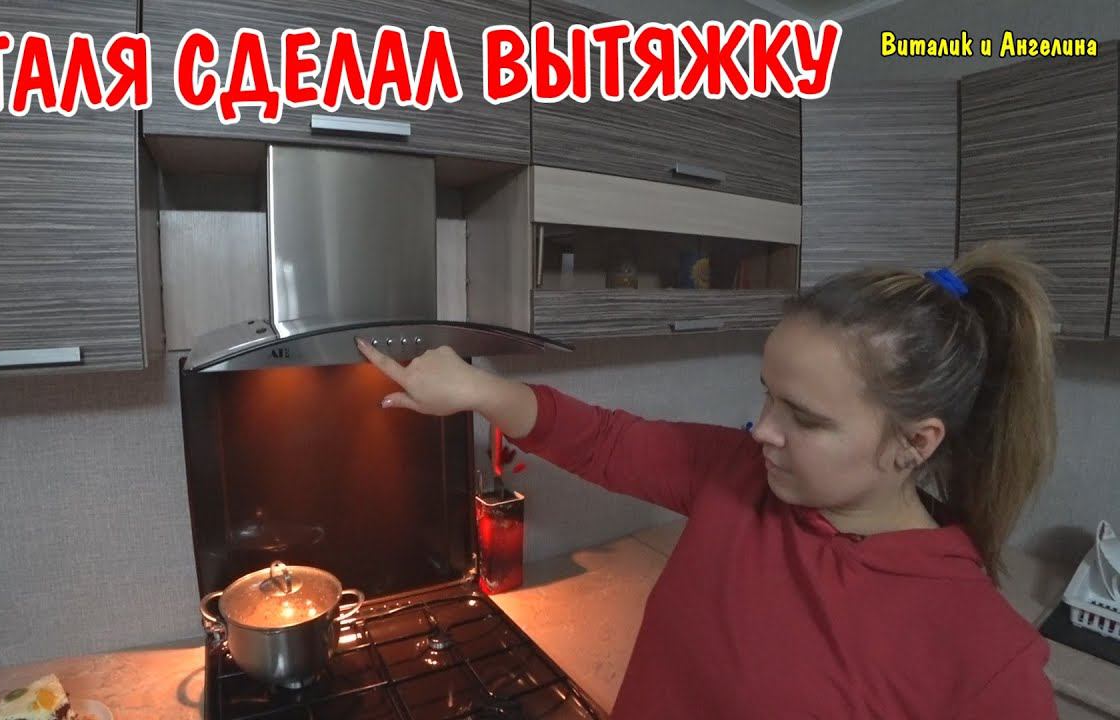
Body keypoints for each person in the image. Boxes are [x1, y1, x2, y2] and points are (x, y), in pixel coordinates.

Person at [355, 241, 1060, 719]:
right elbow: (606, 441)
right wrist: (477, 390)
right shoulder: (738, 474)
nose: (763, 430)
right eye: (768, 396)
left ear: (915, 443)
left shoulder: (986, 661)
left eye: (805, 418)